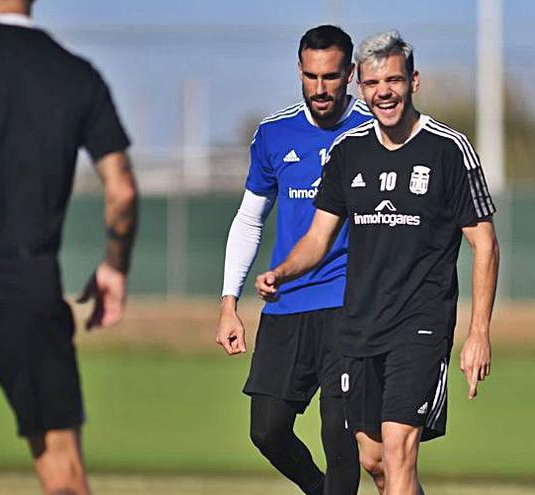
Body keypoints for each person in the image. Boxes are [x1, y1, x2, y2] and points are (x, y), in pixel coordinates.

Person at [256, 30, 499, 495]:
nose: (383, 92)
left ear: (414, 81)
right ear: (359, 87)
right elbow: (318, 237)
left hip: (420, 327)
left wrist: (478, 333)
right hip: (359, 327)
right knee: (375, 460)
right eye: (372, 83)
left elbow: (484, 244)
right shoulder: (349, 152)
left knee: (399, 448)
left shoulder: (448, 149)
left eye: (393, 80)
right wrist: (282, 271)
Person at [0, 1, 138, 494]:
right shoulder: (76, 73)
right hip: (31, 285)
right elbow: (122, 190)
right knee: (61, 462)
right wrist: (114, 266)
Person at [214, 25, 371, 495]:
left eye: (330, 77)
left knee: (340, 436)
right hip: (285, 305)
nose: (320, 88)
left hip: (350, 305)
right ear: (299, 72)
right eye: (310, 76)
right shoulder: (274, 134)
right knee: (266, 430)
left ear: (350, 74)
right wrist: (229, 303)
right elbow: (248, 220)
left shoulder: (374, 131)